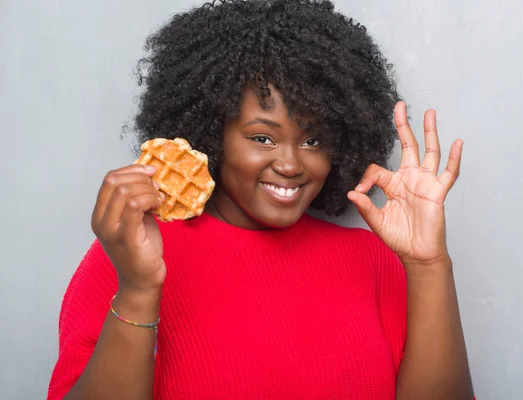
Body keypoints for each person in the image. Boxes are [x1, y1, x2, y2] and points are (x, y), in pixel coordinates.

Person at [47, 0, 474, 399]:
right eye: (262, 137)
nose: (290, 164)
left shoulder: (374, 261)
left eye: (312, 140)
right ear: (212, 135)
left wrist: (428, 265)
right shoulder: (132, 254)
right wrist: (139, 290)